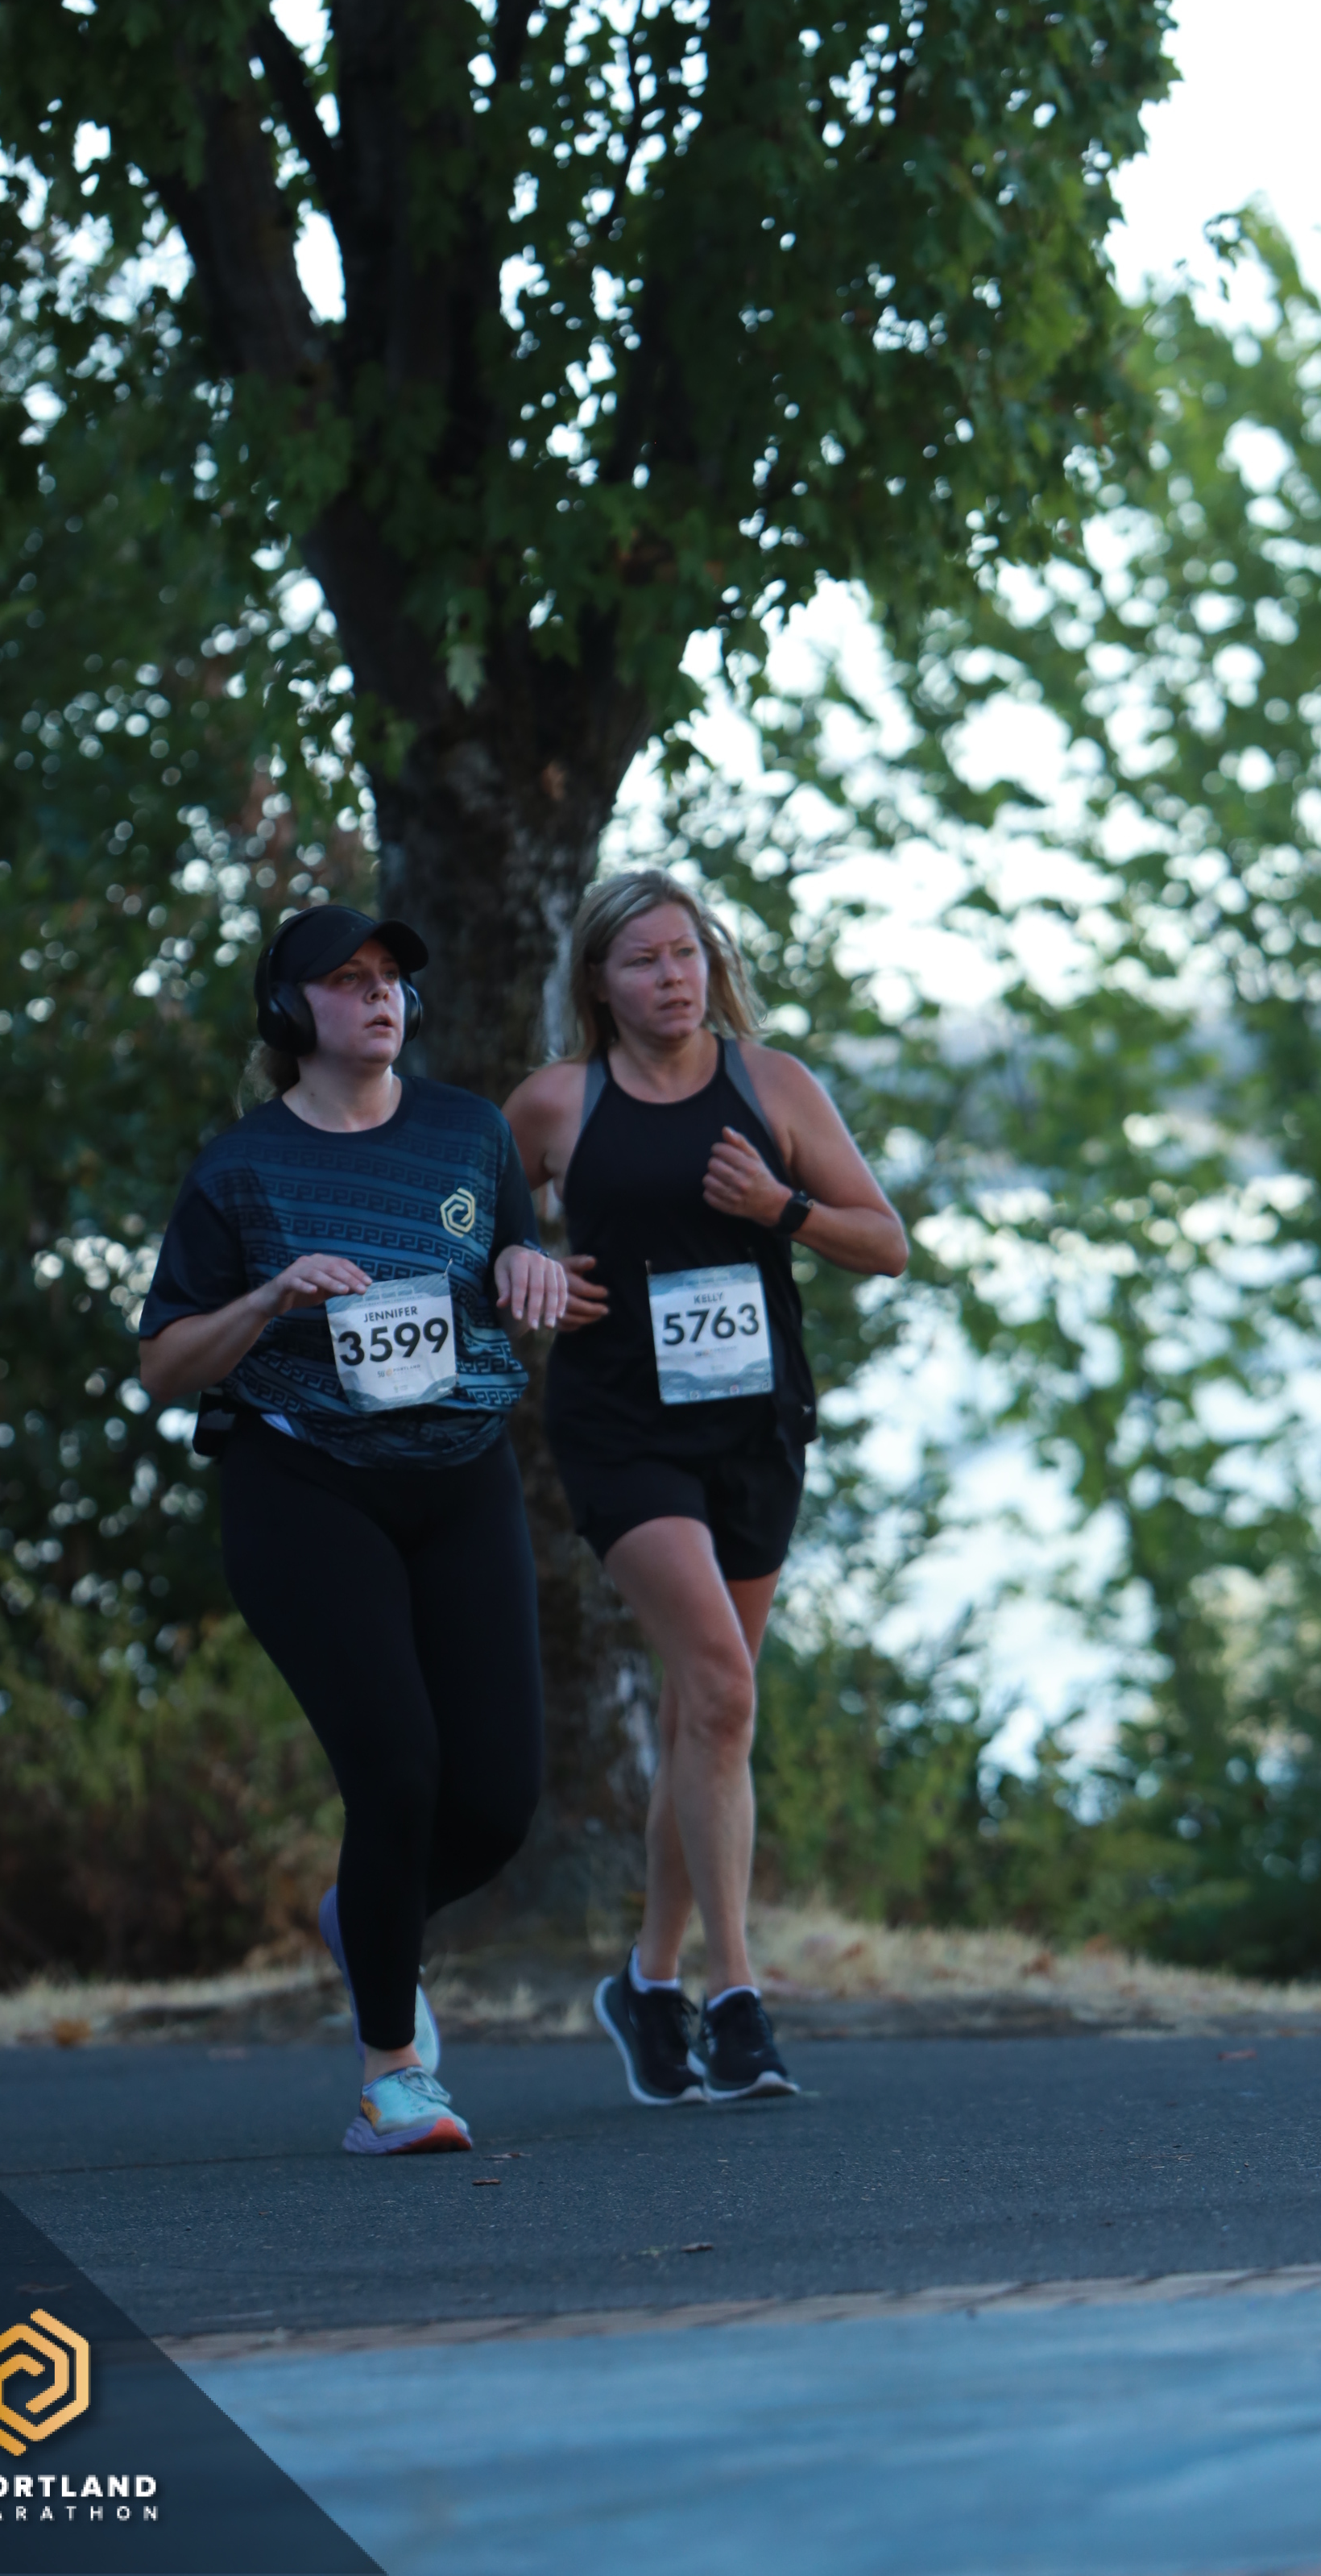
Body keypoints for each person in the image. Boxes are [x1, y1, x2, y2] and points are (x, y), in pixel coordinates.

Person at [139, 905, 565, 2156]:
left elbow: (513, 1262)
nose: (380, 997)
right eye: (348, 980)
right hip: (306, 1487)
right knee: (397, 1773)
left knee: (496, 1802)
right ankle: (392, 2078)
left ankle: (364, 1919)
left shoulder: (469, 1132)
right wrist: (271, 1296)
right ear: (291, 1011)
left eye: (390, 980)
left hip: (462, 1477)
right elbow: (165, 1365)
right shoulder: (241, 1168)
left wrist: (531, 1271)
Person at [503, 871, 907, 2104]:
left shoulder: (771, 1085)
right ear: (599, 982)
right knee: (726, 1687)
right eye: (644, 961)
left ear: (710, 963)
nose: (672, 977)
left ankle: (648, 1980)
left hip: (754, 1432)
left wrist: (781, 1207)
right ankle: (736, 1999)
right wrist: (526, 1271)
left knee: (704, 1713)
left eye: (685, 954)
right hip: (623, 1432)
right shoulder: (557, 1102)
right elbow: (473, 1243)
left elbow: (885, 1241)